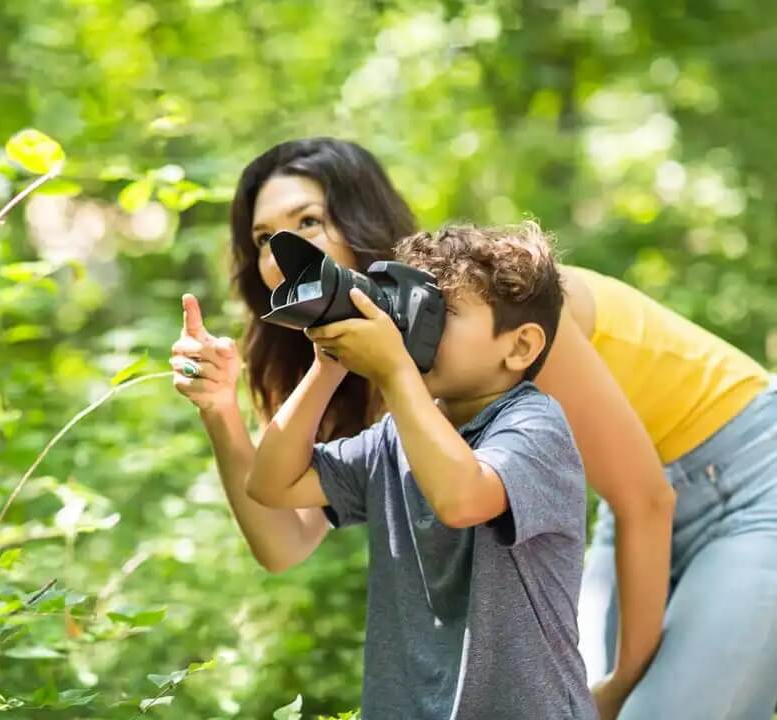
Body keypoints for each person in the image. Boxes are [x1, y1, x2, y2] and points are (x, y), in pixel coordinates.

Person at [170, 137, 777, 719]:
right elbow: (283, 542)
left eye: (308, 222)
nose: (284, 253)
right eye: (264, 239)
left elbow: (646, 498)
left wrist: (619, 687)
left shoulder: (494, 316)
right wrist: (221, 411)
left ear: (360, 221)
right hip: (640, 502)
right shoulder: (371, 366)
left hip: (752, 474)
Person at [245, 222, 596, 718]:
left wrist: (394, 371)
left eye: (442, 313)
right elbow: (271, 484)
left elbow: (461, 499)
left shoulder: (536, 427)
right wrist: (329, 364)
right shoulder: (398, 435)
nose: (411, 326)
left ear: (519, 347)